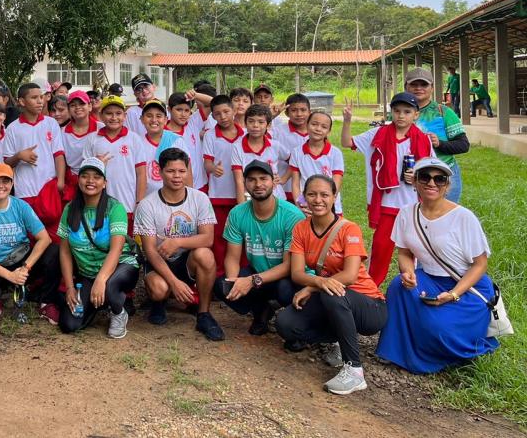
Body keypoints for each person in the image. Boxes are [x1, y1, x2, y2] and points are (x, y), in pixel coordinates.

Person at [376, 157, 500, 373]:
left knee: (438, 328)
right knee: (398, 287)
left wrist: (453, 294)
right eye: (425, 177)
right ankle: (397, 350)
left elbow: (480, 265)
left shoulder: (464, 217)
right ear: (414, 182)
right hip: (428, 278)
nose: (431, 183)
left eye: (439, 179)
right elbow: (404, 253)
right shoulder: (407, 213)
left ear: (447, 185)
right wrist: (408, 272)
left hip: (466, 286)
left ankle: (449, 347)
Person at [275, 175, 387, 395]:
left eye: (324, 195)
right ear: (304, 197)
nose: (318, 200)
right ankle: (338, 339)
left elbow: (350, 275)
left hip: (369, 306)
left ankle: (354, 370)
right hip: (332, 295)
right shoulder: (301, 229)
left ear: (334, 197)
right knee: (286, 324)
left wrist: (312, 287)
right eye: (312, 194)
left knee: (332, 293)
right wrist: (318, 282)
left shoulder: (349, 229)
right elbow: (297, 273)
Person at [342, 92, 433, 286]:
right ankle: (371, 290)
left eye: (407, 111)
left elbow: (431, 171)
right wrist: (347, 121)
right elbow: (347, 142)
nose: (401, 116)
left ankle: (410, 289)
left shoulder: (422, 139)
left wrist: (417, 176)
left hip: (412, 205)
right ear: (391, 112)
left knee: (412, 252)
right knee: (380, 251)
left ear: (416, 114)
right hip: (386, 204)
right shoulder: (378, 134)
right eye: (397, 111)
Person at [134, 148, 225, 341]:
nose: (177, 176)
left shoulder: (200, 198)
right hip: (160, 261)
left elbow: (208, 239)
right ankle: (159, 302)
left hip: (186, 260)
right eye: (171, 171)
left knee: (205, 255)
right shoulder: (147, 205)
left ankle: (204, 313)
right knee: (159, 289)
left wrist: (177, 242)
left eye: (182, 171)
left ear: (188, 171)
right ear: (160, 172)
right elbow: (150, 250)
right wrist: (174, 283)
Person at [213, 160, 304, 335]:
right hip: (258, 272)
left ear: (273, 181)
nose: (258, 184)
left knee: (285, 290)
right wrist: (234, 283)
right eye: (252, 179)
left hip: (287, 276)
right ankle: (261, 311)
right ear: (245, 183)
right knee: (221, 285)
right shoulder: (237, 213)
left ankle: (296, 326)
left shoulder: (292, 215)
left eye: (263, 178)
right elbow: (232, 257)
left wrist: (251, 281)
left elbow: (289, 266)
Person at [57, 157, 139, 338]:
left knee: (109, 285)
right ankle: (99, 303)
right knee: (69, 324)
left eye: (96, 177)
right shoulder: (70, 209)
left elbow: (116, 249)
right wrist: (70, 287)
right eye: (85, 176)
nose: (90, 181)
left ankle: (118, 312)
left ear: (104, 183)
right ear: (78, 180)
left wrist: (101, 280)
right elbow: (64, 251)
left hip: (120, 266)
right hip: (88, 273)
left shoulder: (115, 208)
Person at [0, 163, 61, 323]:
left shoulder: (21, 206)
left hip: (21, 261)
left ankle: (46, 302)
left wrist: (26, 267)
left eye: (5, 181)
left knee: (55, 251)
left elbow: (45, 238)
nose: (0, 186)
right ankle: (0, 294)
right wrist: (10, 276)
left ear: (12, 184)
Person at [3, 82, 67, 239]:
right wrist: (19, 156)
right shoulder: (12, 128)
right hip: (25, 191)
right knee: (31, 238)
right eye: (34, 98)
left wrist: (60, 181)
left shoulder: (51, 123)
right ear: (22, 101)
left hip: (49, 188)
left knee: (55, 237)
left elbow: (58, 154)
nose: (40, 101)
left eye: (41, 97)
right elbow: (6, 163)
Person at [404, 68, 470, 203]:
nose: (419, 88)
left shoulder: (443, 112)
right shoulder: (397, 113)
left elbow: (463, 145)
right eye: (414, 84)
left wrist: (439, 143)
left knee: (444, 215)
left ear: (432, 87)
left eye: (424, 84)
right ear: (406, 87)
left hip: (442, 177)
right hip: (408, 177)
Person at [86, 95, 143, 229]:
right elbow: (85, 174)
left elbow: (141, 174)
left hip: (127, 205)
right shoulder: (92, 139)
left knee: (126, 240)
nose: (114, 117)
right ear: (101, 115)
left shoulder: (134, 139)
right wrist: (96, 164)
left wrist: (139, 203)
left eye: (118, 113)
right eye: (109, 113)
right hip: (98, 205)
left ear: (125, 116)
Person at [202, 94, 245, 270]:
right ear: (212, 116)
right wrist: (213, 168)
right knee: (220, 236)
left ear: (234, 110)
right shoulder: (210, 135)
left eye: (226, 112)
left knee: (243, 234)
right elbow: (207, 163)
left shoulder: (245, 133)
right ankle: (219, 273)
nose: (223, 117)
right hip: (219, 195)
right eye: (218, 114)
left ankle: (242, 272)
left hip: (243, 195)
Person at [230, 104, 290, 201]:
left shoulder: (275, 145)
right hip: (251, 199)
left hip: (277, 197)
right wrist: (241, 206)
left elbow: (294, 161)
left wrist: (284, 178)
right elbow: (239, 181)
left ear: (268, 125)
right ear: (245, 123)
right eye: (251, 121)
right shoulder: (237, 147)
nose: (255, 125)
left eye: (261, 122)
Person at [288, 111, 344, 213]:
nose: (318, 129)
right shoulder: (296, 152)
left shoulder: (335, 153)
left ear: (329, 131)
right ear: (307, 125)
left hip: (330, 206)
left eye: (324, 127)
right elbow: (295, 183)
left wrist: (328, 204)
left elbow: (336, 182)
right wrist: (300, 205)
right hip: (307, 206)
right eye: (314, 124)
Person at [133, 99, 186, 193]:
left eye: (159, 116)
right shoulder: (136, 143)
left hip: (174, 197)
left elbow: (187, 172)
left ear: (165, 120)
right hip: (147, 198)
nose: (154, 120)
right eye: (149, 116)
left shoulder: (176, 141)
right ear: (142, 119)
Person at [165, 93, 207, 191]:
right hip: (179, 190)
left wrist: (195, 95)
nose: (183, 114)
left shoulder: (193, 123)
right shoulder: (163, 134)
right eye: (179, 110)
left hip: (202, 186)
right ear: (169, 109)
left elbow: (213, 103)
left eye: (187, 110)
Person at [62, 90, 99, 196]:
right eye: (73, 105)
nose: (77, 107)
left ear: (90, 106)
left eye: (82, 104)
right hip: (72, 181)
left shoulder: (101, 128)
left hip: (97, 178)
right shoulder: (62, 132)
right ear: (69, 109)